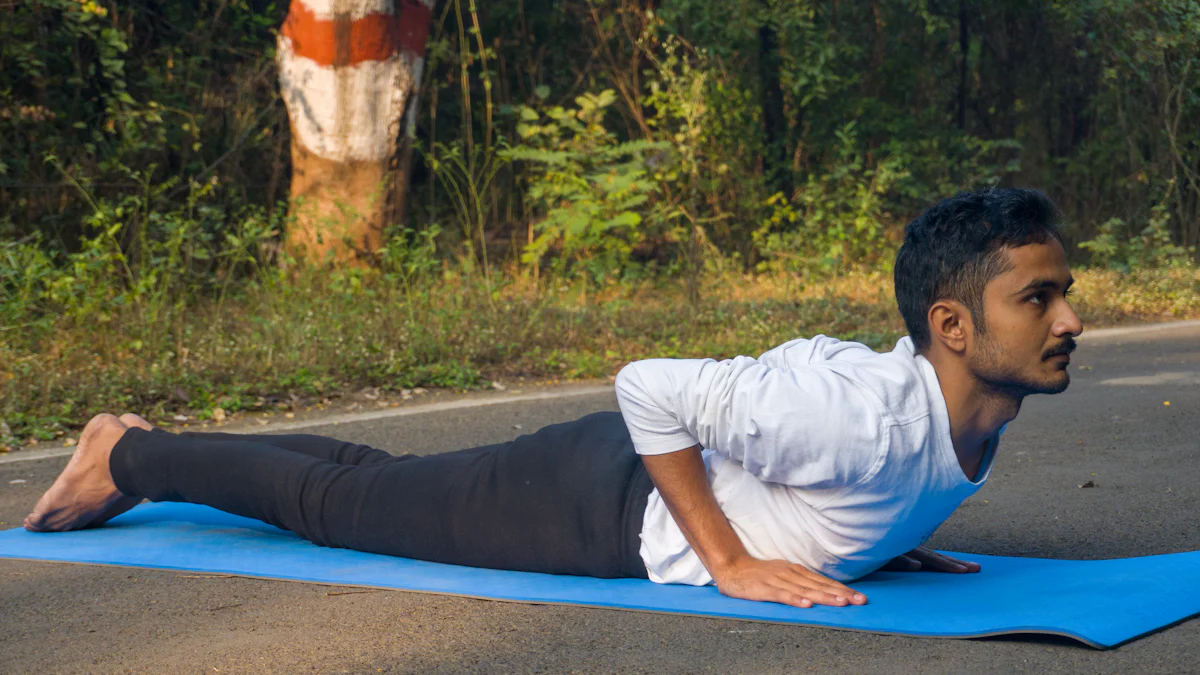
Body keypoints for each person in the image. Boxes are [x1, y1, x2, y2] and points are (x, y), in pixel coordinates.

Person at [23, 187, 1083, 610]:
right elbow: (646, 388)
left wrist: (882, 534)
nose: (1070, 321)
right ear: (951, 327)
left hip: (614, 485)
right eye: (1038, 299)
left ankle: (150, 444)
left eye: (1063, 294)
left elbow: (859, 471)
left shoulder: (949, 414)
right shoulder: (853, 424)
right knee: (342, 510)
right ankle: (127, 457)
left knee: (372, 482)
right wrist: (728, 561)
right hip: (595, 503)